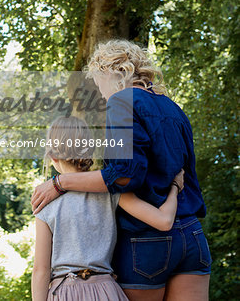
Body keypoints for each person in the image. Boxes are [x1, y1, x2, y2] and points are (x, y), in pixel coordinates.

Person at [31, 39, 212, 301]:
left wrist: (60, 183)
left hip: (147, 242)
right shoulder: (174, 109)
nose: (102, 94)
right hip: (192, 236)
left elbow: (124, 174)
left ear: (110, 73)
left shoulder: (122, 101)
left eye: (99, 84)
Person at [32, 115, 184, 301]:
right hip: (106, 291)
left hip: (64, 292)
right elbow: (164, 221)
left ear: (53, 157)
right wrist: (175, 187)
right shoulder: (111, 190)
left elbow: (40, 270)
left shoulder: (44, 203)